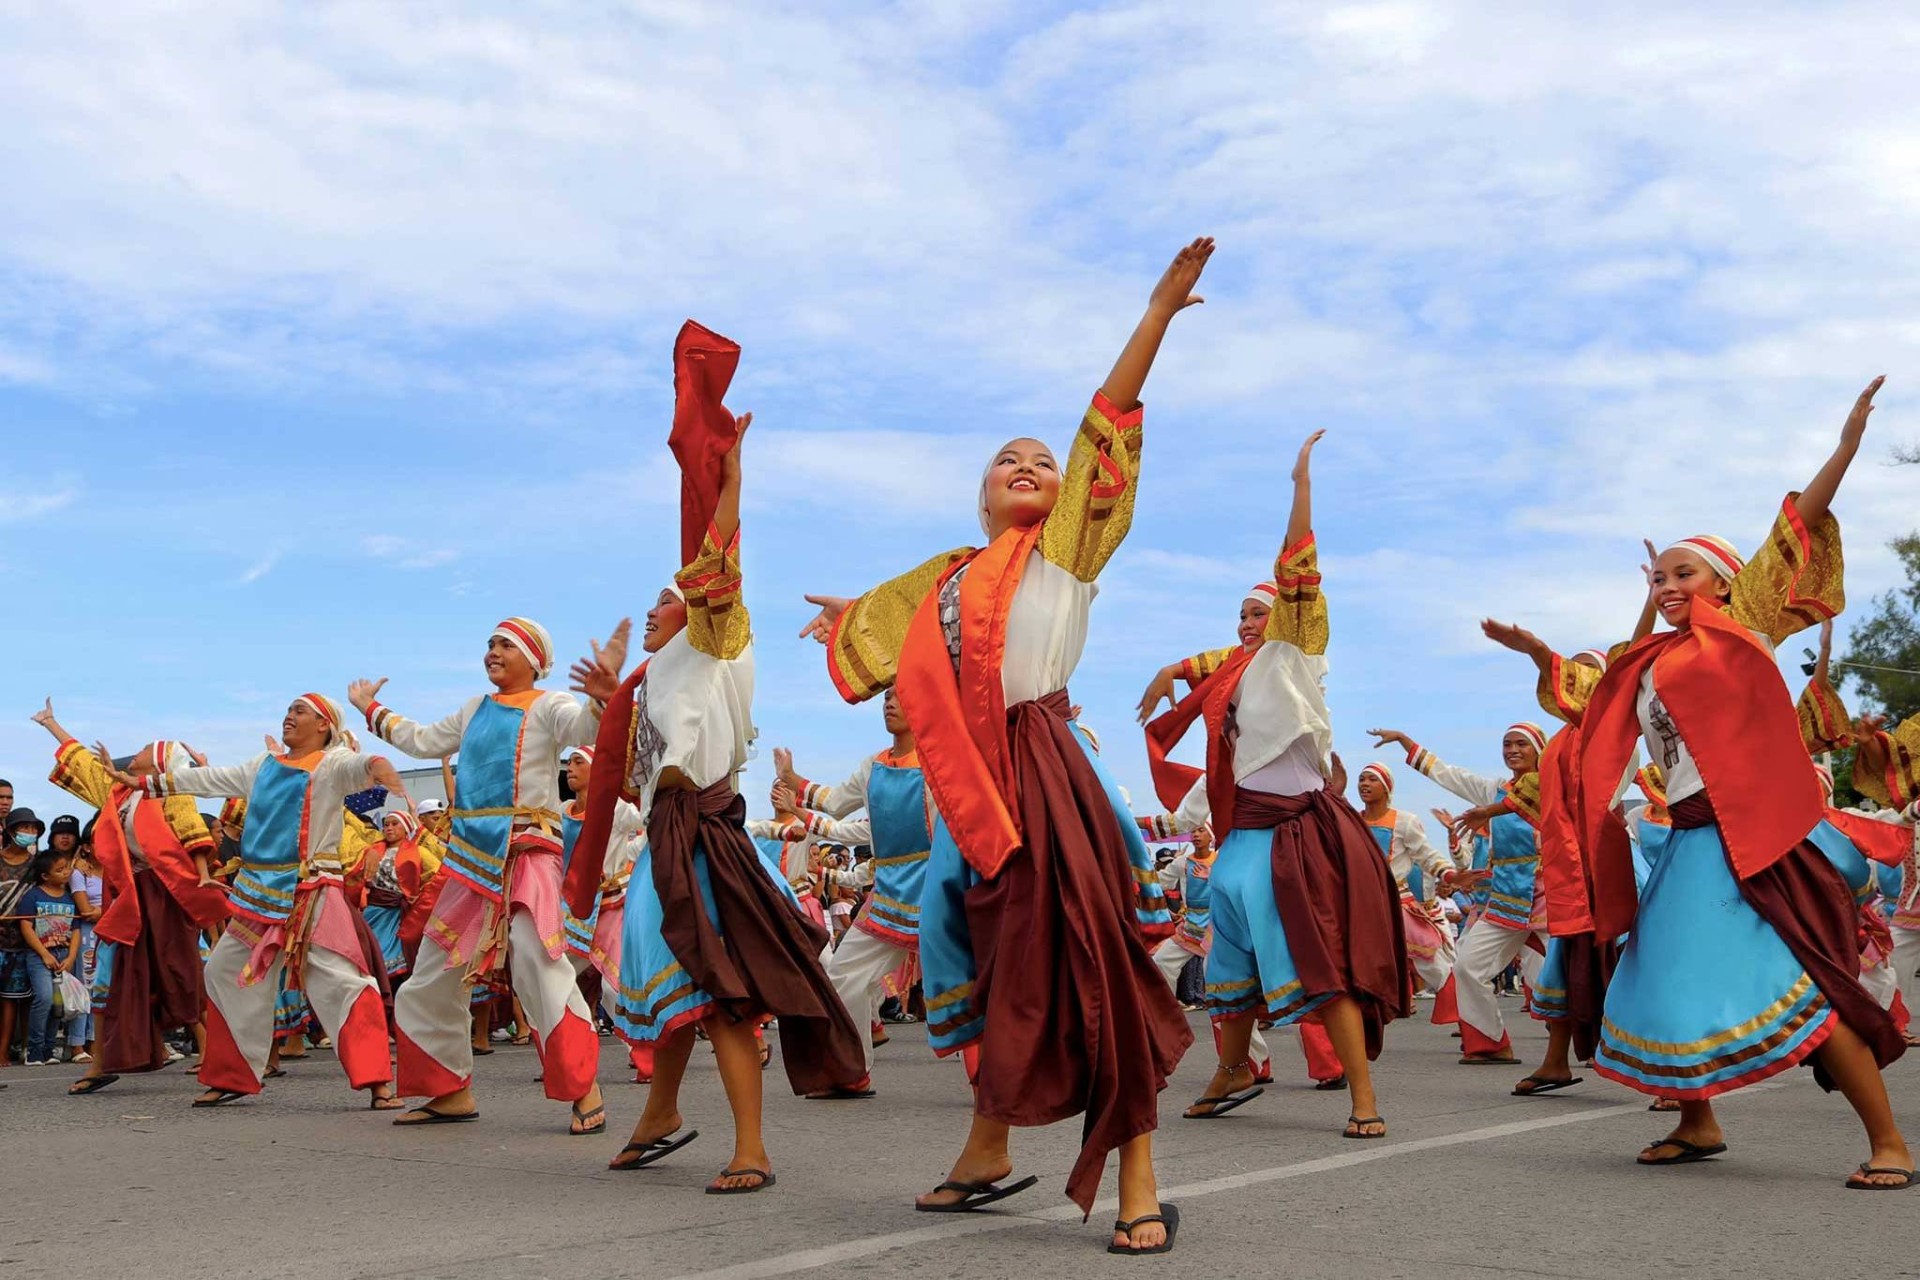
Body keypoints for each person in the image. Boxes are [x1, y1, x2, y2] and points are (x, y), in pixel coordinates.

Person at [800, 241, 1213, 1253]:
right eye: (1008, 460)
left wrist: (1154, 317)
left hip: (1043, 772)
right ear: (981, 494)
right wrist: (852, 620)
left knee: (1088, 966)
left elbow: (1105, 423)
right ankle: (989, 1147)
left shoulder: (1063, 555)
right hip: (972, 790)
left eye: (1045, 462)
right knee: (994, 970)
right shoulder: (947, 579)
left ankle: (1139, 1178)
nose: (1030, 467)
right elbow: (900, 645)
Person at [1574, 377, 1911, 1189]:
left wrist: (1846, 447)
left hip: (1748, 841)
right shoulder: (1651, 664)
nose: (1667, 589)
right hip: (1690, 841)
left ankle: (1891, 1142)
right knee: (1658, 974)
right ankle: (1697, 1121)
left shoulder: (1745, 631)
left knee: (1801, 984)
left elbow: (1797, 528)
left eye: (1682, 574)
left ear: (1725, 584)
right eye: (1658, 579)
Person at [572, 328, 863, 1193]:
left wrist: (730, 487)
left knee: (725, 991)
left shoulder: (718, 641)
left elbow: (716, 569)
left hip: (704, 835)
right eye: (664, 599)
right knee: (672, 984)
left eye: (676, 596)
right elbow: (634, 778)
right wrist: (601, 706)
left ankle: (752, 1149)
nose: (665, 603)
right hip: (667, 833)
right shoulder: (656, 678)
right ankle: (660, 1113)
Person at [1138, 430, 1409, 1139]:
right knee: (1228, 969)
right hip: (1238, 846)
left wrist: (1300, 490)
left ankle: (1363, 1094)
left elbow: (1293, 575)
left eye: (1258, 612)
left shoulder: (1296, 653)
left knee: (1320, 966)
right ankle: (1231, 1070)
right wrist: (1174, 670)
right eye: (1241, 615)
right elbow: (1219, 664)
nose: (1247, 623)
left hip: (1292, 839)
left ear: (1285, 617)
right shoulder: (1239, 674)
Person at [350, 614, 615, 1135]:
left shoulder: (550, 704)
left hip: (525, 854)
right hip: (470, 864)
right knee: (429, 976)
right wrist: (371, 709)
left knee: (538, 968)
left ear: (534, 660)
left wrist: (602, 700)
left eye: (506, 645)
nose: (493, 651)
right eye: (490, 644)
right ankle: (449, 1090)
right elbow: (423, 740)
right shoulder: (474, 709)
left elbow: (585, 729)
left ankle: (585, 1087)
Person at [106, 693, 409, 1109]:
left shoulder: (332, 764)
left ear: (323, 725)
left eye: (299, 711)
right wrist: (144, 782)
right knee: (225, 972)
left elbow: (360, 767)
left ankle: (378, 1081)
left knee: (342, 981)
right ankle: (233, 1075)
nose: (289, 716)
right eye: (288, 709)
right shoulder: (262, 767)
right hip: (258, 896)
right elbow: (208, 779)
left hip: (311, 895)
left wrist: (379, 767)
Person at [34, 704, 233, 1095]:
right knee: (109, 976)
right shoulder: (118, 791)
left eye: (145, 749)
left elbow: (193, 834)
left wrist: (206, 876)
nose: (137, 751)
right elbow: (85, 766)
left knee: (180, 973)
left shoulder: (170, 792)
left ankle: (215, 1054)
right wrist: (52, 725)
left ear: (158, 765)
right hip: (125, 895)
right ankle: (100, 1065)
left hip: (164, 893)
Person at [772, 687, 934, 1098]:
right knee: (843, 975)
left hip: (937, 886)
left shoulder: (940, 761)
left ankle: (998, 1079)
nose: (890, 703)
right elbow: (839, 804)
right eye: (886, 698)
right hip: (888, 893)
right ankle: (851, 1071)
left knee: (974, 981)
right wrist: (795, 783)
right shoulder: (873, 766)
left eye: (900, 697)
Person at [1368, 722, 1545, 1065]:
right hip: (1504, 897)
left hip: (1547, 894)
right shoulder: (1495, 789)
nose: (1512, 750)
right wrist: (1407, 742)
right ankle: (1491, 1042)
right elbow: (1451, 775)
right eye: (1507, 744)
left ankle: (1600, 1042)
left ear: (1540, 749)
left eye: (1521, 744)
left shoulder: (1555, 786)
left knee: (1563, 971)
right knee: (1467, 965)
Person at [1353, 764, 1460, 1025]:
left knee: (1431, 961)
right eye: (1361, 779)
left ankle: (1468, 1020)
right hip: (1364, 905)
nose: (1364, 784)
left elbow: (1425, 854)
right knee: (1359, 965)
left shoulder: (1404, 821)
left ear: (1387, 787)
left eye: (1372, 779)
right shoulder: (1354, 820)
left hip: (1398, 902)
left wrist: (1449, 874)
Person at [17, 848, 81, 1065]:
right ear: (45, 875)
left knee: (58, 1004)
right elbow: (26, 926)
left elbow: (76, 930)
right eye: (60, 870)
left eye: (66, 868)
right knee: (43, 998)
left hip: (63, 955)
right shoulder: (33, 895)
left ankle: (48, 1049)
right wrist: (43, 954)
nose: (66, 873)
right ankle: (33, 1051)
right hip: (39, 956)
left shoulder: (70, 898)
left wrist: (71, 957)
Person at [0, 807, 45, 1068]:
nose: (29, 833)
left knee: (17, 1000)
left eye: (33, 829)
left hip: (25, 942)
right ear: (10, 831)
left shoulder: (38, 865)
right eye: (24, 828)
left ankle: (19, 1050)